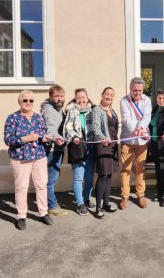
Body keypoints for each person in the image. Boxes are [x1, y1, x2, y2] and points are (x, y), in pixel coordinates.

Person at [4, 90, 54, 230]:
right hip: (20, 158)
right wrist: (26, 138)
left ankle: (44, 213)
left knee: (41, 186)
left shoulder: (38, 118)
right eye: (25, 100)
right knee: (21, 188)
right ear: (19, 101)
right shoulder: (12, 118)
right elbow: (8, 139)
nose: (28, 103)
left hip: (39, 156)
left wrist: (45, 138)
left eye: (31, 101)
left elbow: (42, 135)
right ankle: (21, 216)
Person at [119, 77, 152, 209]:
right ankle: (125, 196)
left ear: (142, 90)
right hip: (127, 139)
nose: (137, 92)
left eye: (140, 90)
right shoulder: (124, 101)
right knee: (125, 169)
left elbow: (147, 116)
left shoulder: (147, 100)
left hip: (141, 140)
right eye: (135, 90)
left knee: (140, 168)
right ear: (130, 89)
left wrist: (141, 128)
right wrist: (136, 128)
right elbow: (126, 118)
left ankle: (140, 195)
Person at [63, 88, 96, 216]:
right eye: (78, 98)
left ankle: (86, 199)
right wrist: (74, 136)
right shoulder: (71, 110)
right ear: (75, 99)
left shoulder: (92, 111)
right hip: (77, 147)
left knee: (89, 178)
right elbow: (67, 127)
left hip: (90, 148)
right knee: (78, 178)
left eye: (83, 97)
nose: (81, 100)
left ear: (87, 98)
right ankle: (80, 204)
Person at [40, 85, 69, 216]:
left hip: (59, 148)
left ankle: (47, 204)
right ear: (51, 97)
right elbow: (49, 128)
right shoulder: (49, 110)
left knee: (52, 178)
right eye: (56, 96)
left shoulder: (59, 110)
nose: (59, 99)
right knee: (51, 179)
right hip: (52, 149)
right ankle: (52, 206)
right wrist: (57, 138)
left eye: (61, 96)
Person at [92, 87, 119, 218]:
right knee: (103, 175)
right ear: (102, 95)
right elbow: (95, 127)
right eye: (107, 94)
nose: (109, 97)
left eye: (111, 95)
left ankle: (106, 204)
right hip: (103, 145)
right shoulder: (97, 110)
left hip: (113, 145)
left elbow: (114, 128)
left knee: (109, 175)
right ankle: (98, 208)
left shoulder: (112, 111)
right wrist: (102, 138)